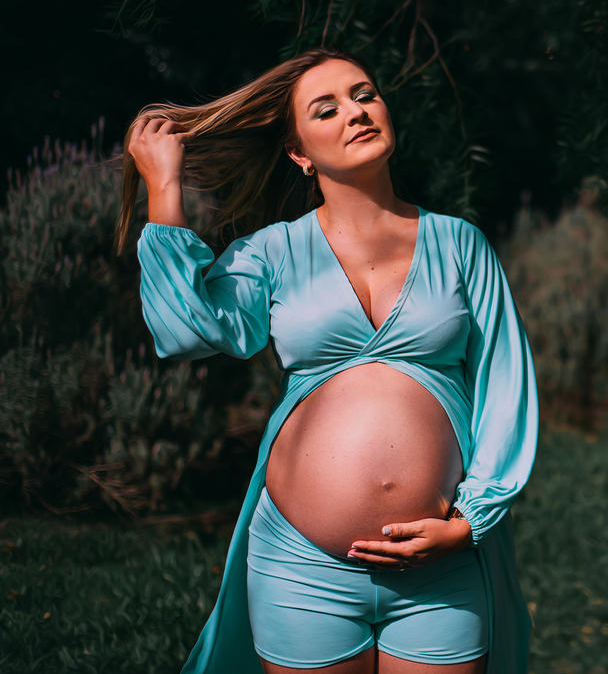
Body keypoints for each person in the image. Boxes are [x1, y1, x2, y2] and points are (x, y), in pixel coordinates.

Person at [117, 48, 538, 674]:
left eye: (364, 93)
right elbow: (186, 330)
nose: (356, 111)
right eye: (328, 108)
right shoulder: (275, 252)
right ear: (301, 155)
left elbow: (507, 384)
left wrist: (470, 520)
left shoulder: (459, 243)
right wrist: (164, 187)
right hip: (299, 565)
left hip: (439, 567)